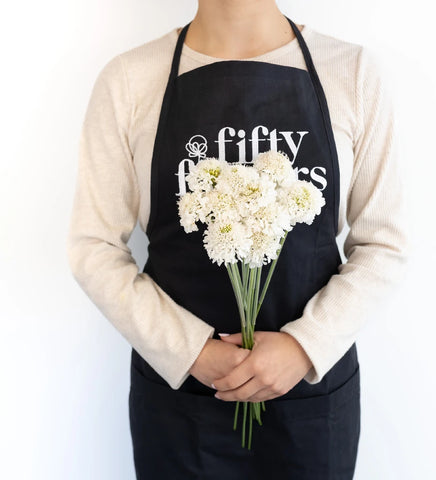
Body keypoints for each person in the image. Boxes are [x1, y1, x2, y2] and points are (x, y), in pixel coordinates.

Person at [66, 1, 409, 478]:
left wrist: (303, 347)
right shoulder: (129, 81)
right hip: (180, 405)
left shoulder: (352, 73)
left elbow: (384, 245)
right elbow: (93, 247)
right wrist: (192, 352)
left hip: (309, 403)